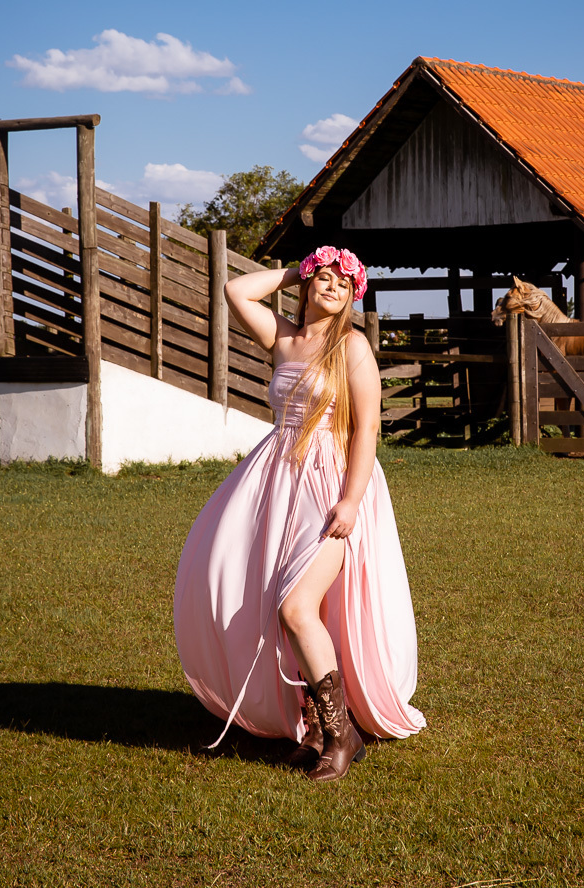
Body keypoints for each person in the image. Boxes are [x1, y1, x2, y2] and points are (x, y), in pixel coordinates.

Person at [173, 245, 425, 781]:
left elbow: (367, 429)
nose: (330, 287)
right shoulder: (284, 338)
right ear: (307, 283)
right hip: (277, 480)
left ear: (353, 296)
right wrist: (301, 268)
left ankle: (342, 733)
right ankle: (315, 727)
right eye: (323, 279)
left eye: (342, 283)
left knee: (295, 606)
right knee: (274, 601)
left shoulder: (352, 347)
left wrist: (352, 500)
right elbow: (236, 290)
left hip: (332, 482)